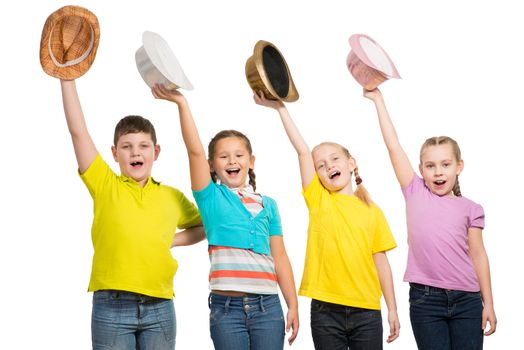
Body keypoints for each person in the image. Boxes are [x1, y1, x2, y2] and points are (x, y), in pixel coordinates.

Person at [151, 84, 299, 350]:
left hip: (268, 308)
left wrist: (293, 304)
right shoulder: (211, 198)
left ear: (251, 161)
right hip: (226, 311)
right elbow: (195, 151)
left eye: (239, 155)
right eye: (223, 156)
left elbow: (281, 258)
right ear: (212, 165)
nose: (232, 161)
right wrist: (182, 104)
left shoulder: (269, 205)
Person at [60, 79, 204, 349]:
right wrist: (67, 80)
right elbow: (78, 132)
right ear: (115, 153)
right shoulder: (105, 184)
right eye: (126, 146)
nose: (135, 152)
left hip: (160, 306)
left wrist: (172, 240)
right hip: (112, 306)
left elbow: (206, 225)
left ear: (156, 152)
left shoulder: (172, 196)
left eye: (143, 146)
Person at [254, 91, 400, 350]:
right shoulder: (319, 200)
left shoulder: (372, 211)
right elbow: (302, 151)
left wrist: (392, 309)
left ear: (351, 163)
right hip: (325, 312)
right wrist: (281, 109)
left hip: (366, 311)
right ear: (317, 176)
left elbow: (382, 263)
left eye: (334, 159)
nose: (328, 166)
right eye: (320, 165)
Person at [364, 88, 497, 349]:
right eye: (430, 166)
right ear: (421, 169)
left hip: (468, 300)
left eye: (446, 165)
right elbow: (393, 146)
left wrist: (488, 303)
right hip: (426, 300)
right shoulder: (414, 191)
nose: (438, 172)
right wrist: (379, 100)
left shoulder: (471, 208)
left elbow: (479, 255)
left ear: (459, 167)